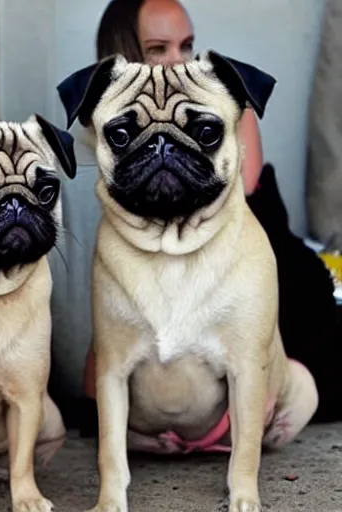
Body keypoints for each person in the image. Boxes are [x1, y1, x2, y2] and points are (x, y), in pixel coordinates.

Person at [73, 0, 341, 438]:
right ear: (123, 53)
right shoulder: (115, 118)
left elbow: (225, 210)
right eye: (158, 48)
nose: (178, 59)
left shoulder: (222, 103)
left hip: (267, 281)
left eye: (187, 45)